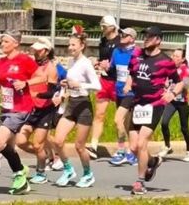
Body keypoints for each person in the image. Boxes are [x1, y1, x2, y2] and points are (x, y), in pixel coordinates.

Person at [124, 27, 186, 195]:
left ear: (158, 40)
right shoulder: (137, 56)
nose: (146, 39)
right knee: (133, 147)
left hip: (154, 105)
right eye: (145, 36)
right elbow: (131, 73)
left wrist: (172, 93)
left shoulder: (166, 61)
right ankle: (152, 161)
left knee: (141, 143)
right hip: (136, 104)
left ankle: (140, 182)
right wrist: (128, 83)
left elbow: (179, 82)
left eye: (150, 37)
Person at [50, 32, 101, 188]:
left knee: (79, 146)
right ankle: (68, 169)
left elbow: (97, 86)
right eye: (69, 44)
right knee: (58, 141)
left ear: (82, 46)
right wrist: (65, 85)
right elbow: (70, 81)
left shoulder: (86, 63)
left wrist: (80, 85)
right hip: (71, 104)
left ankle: (87, 174)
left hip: (84, 106)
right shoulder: (71, 61)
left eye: (73, 45)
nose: (70, 47)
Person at [0, 30, 37, 195]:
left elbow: (43, 77)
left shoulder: (25, 60)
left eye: (6, 42)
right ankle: (21, 170)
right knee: (8, 146)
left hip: (21, 108)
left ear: (16, 43)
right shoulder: (0, 62)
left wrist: (26, 83)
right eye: (1, 41)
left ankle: (20, 176)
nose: (2, 44)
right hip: (6, 107)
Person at [17, 37, 64, 185]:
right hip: (33, 108)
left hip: (45, 110)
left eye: (39, 50)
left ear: (46, 51)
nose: (36, 53)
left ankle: (41, 172)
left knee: (38, 144)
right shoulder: (33, 66)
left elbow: (51, 92)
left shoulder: (51, 69)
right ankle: (46, 156)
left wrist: (35, 94)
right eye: (35, 50)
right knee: (21, 141)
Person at [88, 16, 121, 159]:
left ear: (112, 27)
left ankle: (124, 147)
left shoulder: (120, 42)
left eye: (105, 26)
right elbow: (103, 59)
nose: (102, 29)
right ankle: (94, 146)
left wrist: (110, 65)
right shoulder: (102, 41)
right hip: (105, 80)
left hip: (118, 81)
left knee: (121, 118)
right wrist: (98, 63)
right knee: (99, 114)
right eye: (101, 26)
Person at [107, 27, 139, 166]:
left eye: (125, 35)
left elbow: (138, 72)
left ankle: (121, 151)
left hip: (131, 92)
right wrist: (105, 66)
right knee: (126, 124)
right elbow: (112, 69)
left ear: (132, 38)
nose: (121, 36)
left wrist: (130, 84)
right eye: (121, 34)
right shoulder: (116, 51)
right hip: (119, 91)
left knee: (117, 119)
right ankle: (132, 154)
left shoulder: (137, 53)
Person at [158, 48, 189, 161]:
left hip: (183, 102)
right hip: (172, 101)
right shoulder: (169, 68)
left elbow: (185, 84)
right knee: (164, 123)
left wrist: (174, 90)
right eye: (173, 55)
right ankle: (167, 146)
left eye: (177, 56)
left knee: (184, 128)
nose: (174, 58)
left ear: (183, 59)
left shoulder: (186, 70)